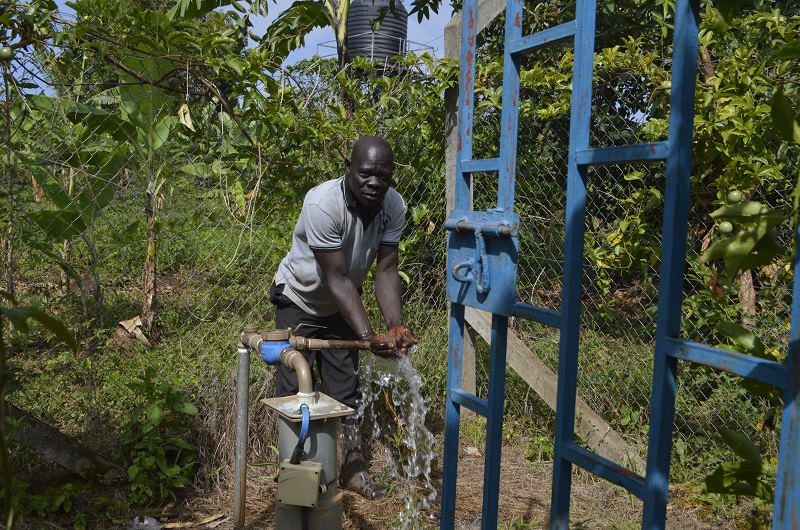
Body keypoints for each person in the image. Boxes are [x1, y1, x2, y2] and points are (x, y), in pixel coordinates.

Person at [270, 135, 418, 499]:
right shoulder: (323, 203)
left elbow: (385, 270)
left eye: (383, 176)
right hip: (300, 299)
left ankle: (352, 469)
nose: (374, 182)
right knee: (294, 391)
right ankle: (295, 477)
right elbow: (334, 277)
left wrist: (394, 325)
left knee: (345, 390)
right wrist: (368, 335)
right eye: (366, 173)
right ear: (348, 169)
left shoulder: (393, 206)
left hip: (340, 306)